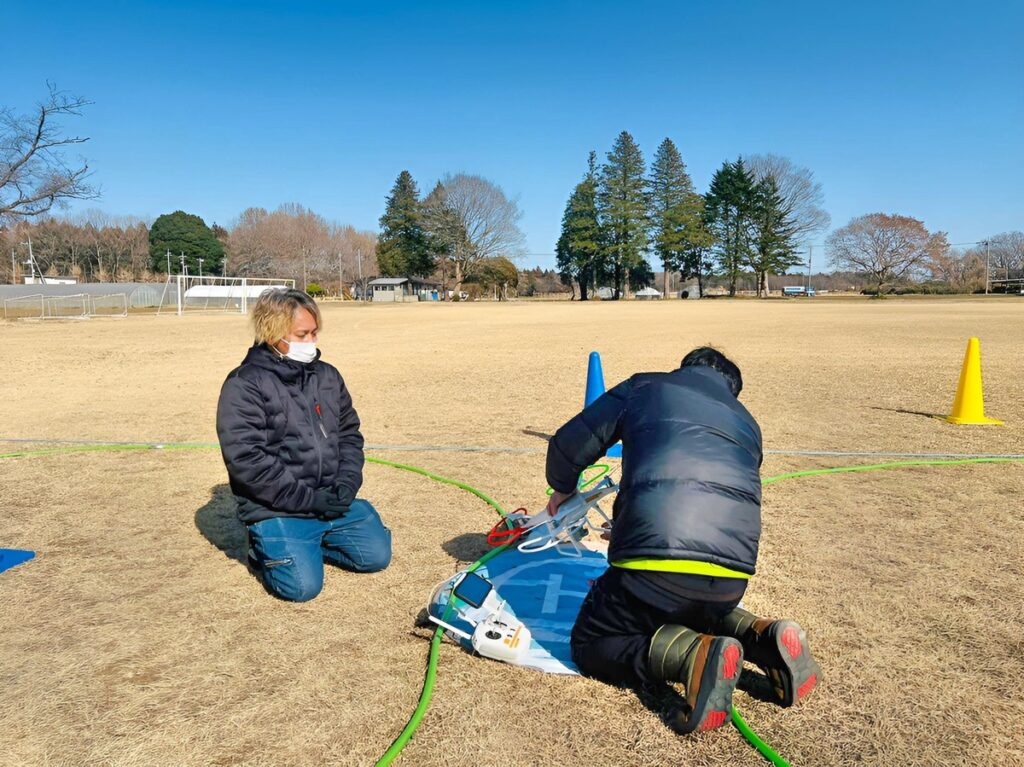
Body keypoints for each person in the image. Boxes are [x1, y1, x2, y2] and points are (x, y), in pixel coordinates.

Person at [547, 347, 820, 734]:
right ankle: (764, 638)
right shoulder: (748, 424)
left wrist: (561, 489)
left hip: (651, 572)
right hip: (730, 581)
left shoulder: (645, 386)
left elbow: (570, 444)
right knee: (689, 603)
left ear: (685, 367)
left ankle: (692, 657)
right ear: (731, 391)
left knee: (593, 641)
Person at [216, 288, 391, 602]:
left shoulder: (328, 376)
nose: (311, 341)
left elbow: (350, 435)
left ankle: (311, 542)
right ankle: (263, 548)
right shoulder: (244, 384)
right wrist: (311, 501)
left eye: (314, 333)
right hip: (277, 507)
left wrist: (347, 485)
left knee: (376, 557)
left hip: (330, 499)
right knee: (302, 588)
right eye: (302, 334)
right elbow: (249, 462)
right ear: (273, 332)